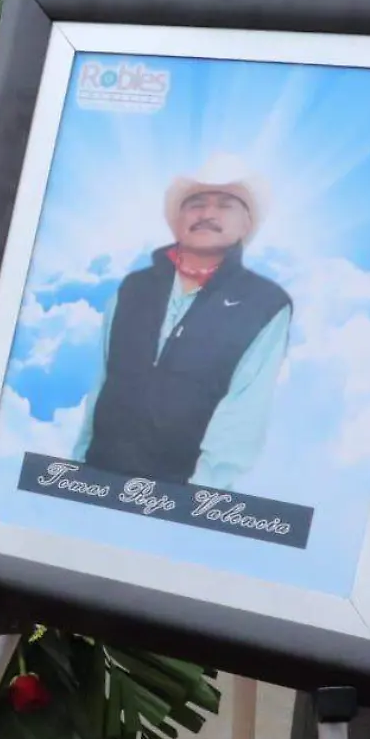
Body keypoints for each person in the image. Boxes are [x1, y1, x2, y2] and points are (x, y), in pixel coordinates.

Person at [72, 154, 292, 490]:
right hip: (97, 476)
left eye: (225, 205)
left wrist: (199, 497)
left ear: (247, 224)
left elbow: (244, 414)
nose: (207, 214)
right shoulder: (133, 288)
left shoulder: (266, 304)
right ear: (177, 220)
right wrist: (75, 469)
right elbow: (102, 382)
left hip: (179, 495)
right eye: (196, 203)